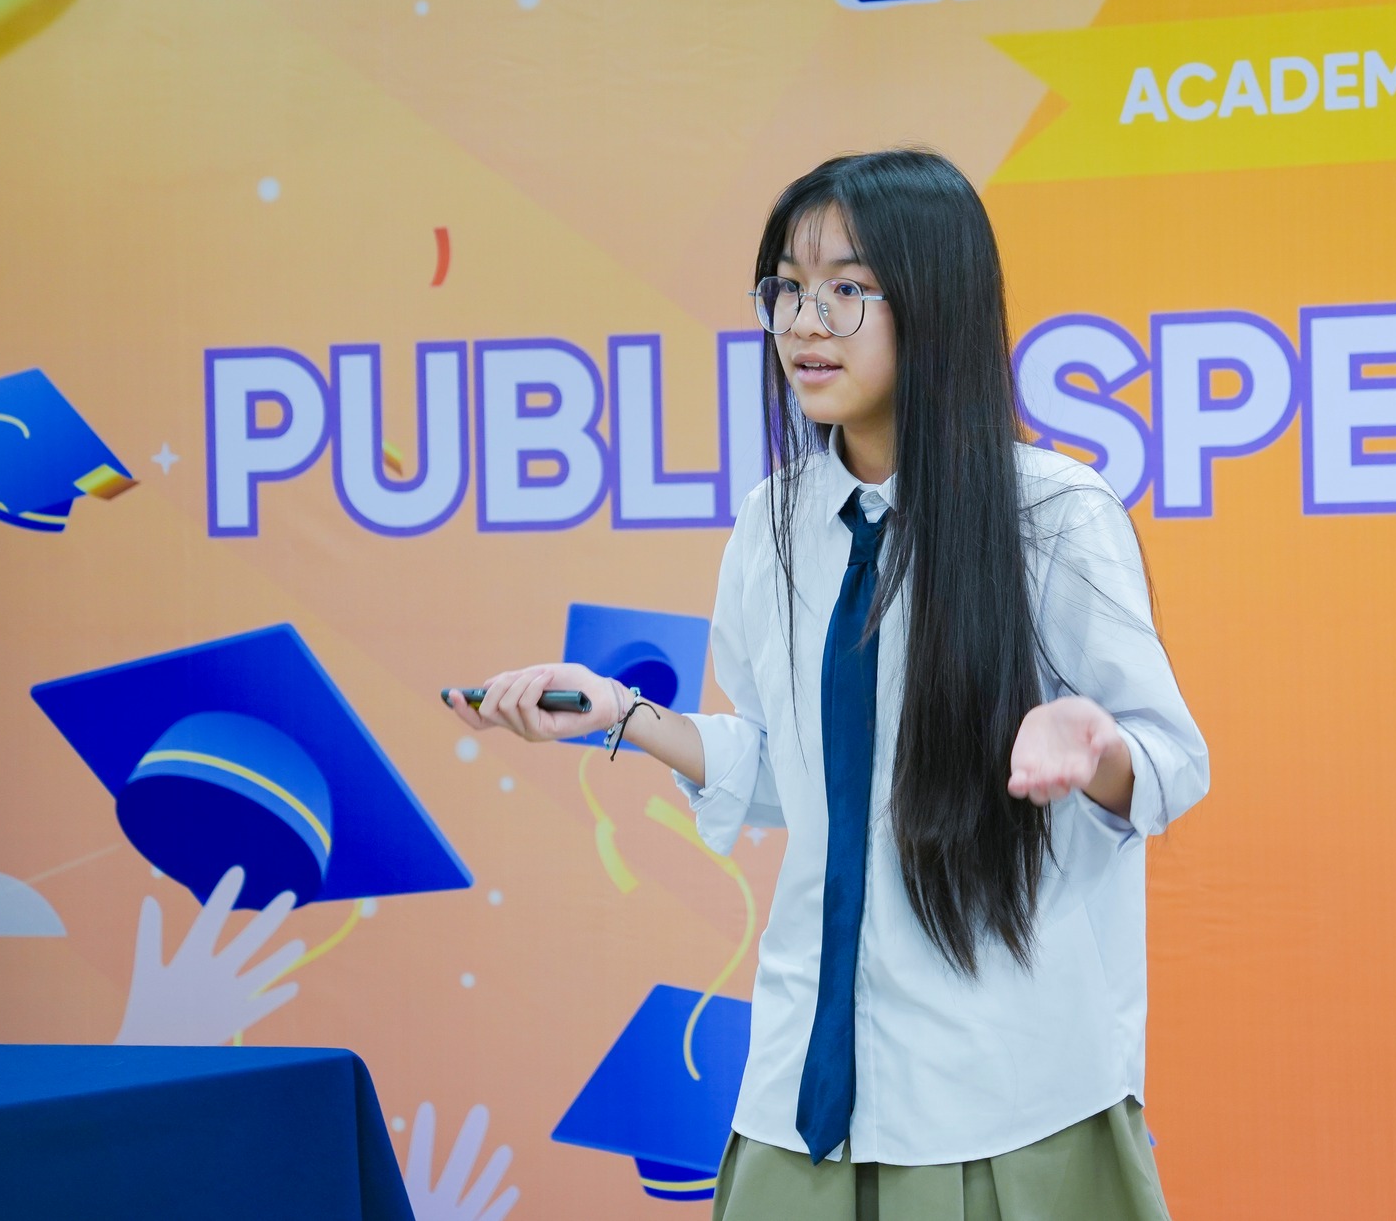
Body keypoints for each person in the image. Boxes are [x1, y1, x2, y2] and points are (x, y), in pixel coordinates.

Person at [451, 148, 1208, 1220]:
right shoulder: (771, 524)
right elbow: (793, 772)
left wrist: (1095, 748)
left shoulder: (1051, 514)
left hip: (1003, 1086)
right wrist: (624, 715)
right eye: (786, 288)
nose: (805, 323)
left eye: (847, 289)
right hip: (802, 1076)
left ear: (934, 303)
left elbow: (1173, 760)